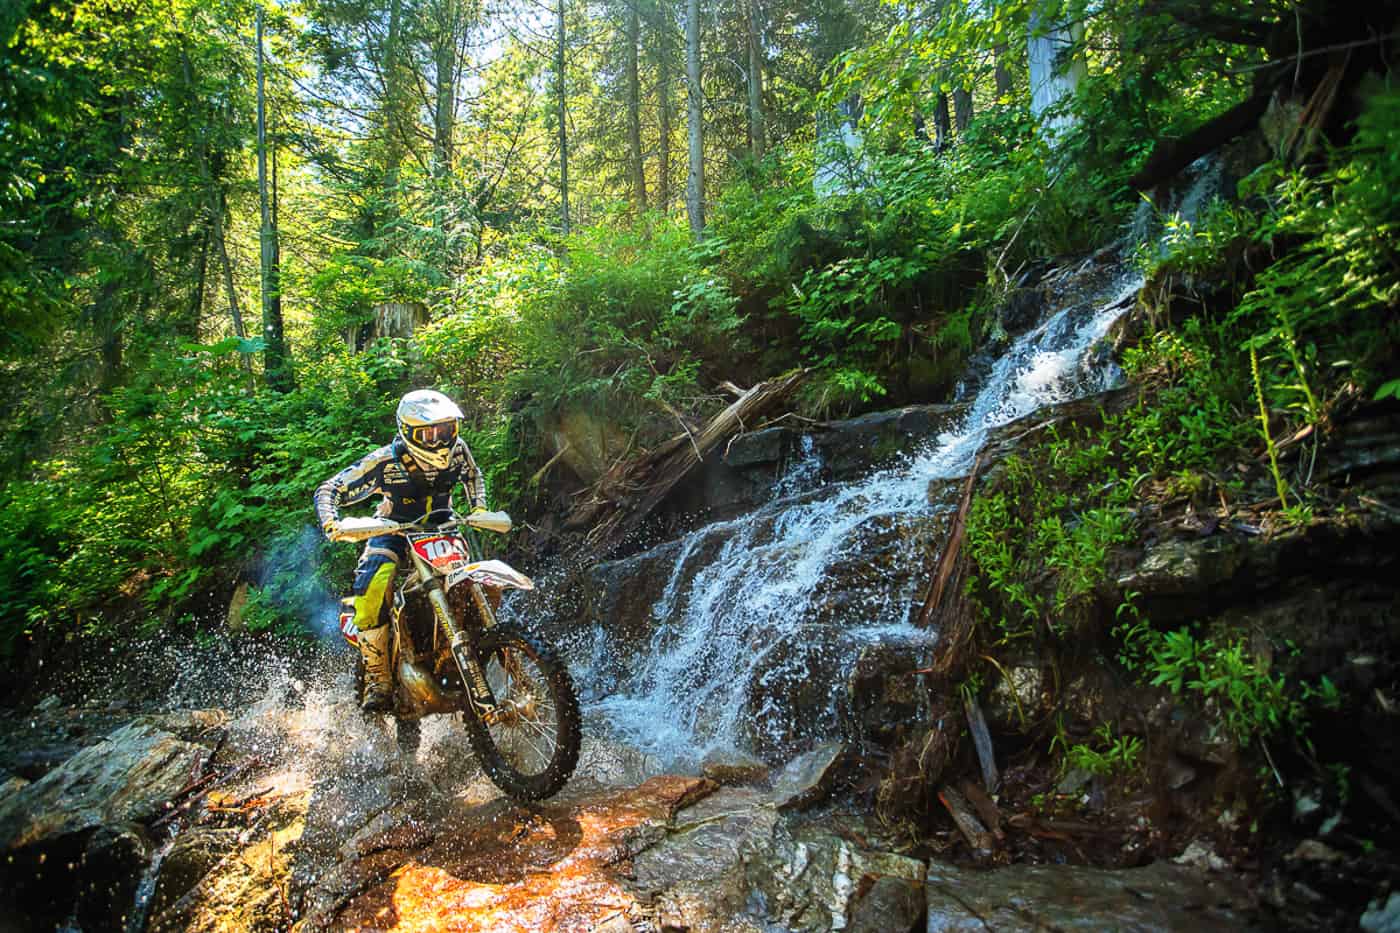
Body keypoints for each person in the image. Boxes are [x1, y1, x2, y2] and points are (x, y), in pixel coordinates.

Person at [315, 389, 488, 711]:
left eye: (446, 430)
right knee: (372, 585)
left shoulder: (460, 451)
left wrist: (479, 508)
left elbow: (474, 476)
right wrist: (332, 524)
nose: (439, 441)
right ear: (407, 432)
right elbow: (331, 488)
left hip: (442, 526)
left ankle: (488, 642)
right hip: (393, 529)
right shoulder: (385, 460)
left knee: (476, 578)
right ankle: (378, 677)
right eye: (428, 433)